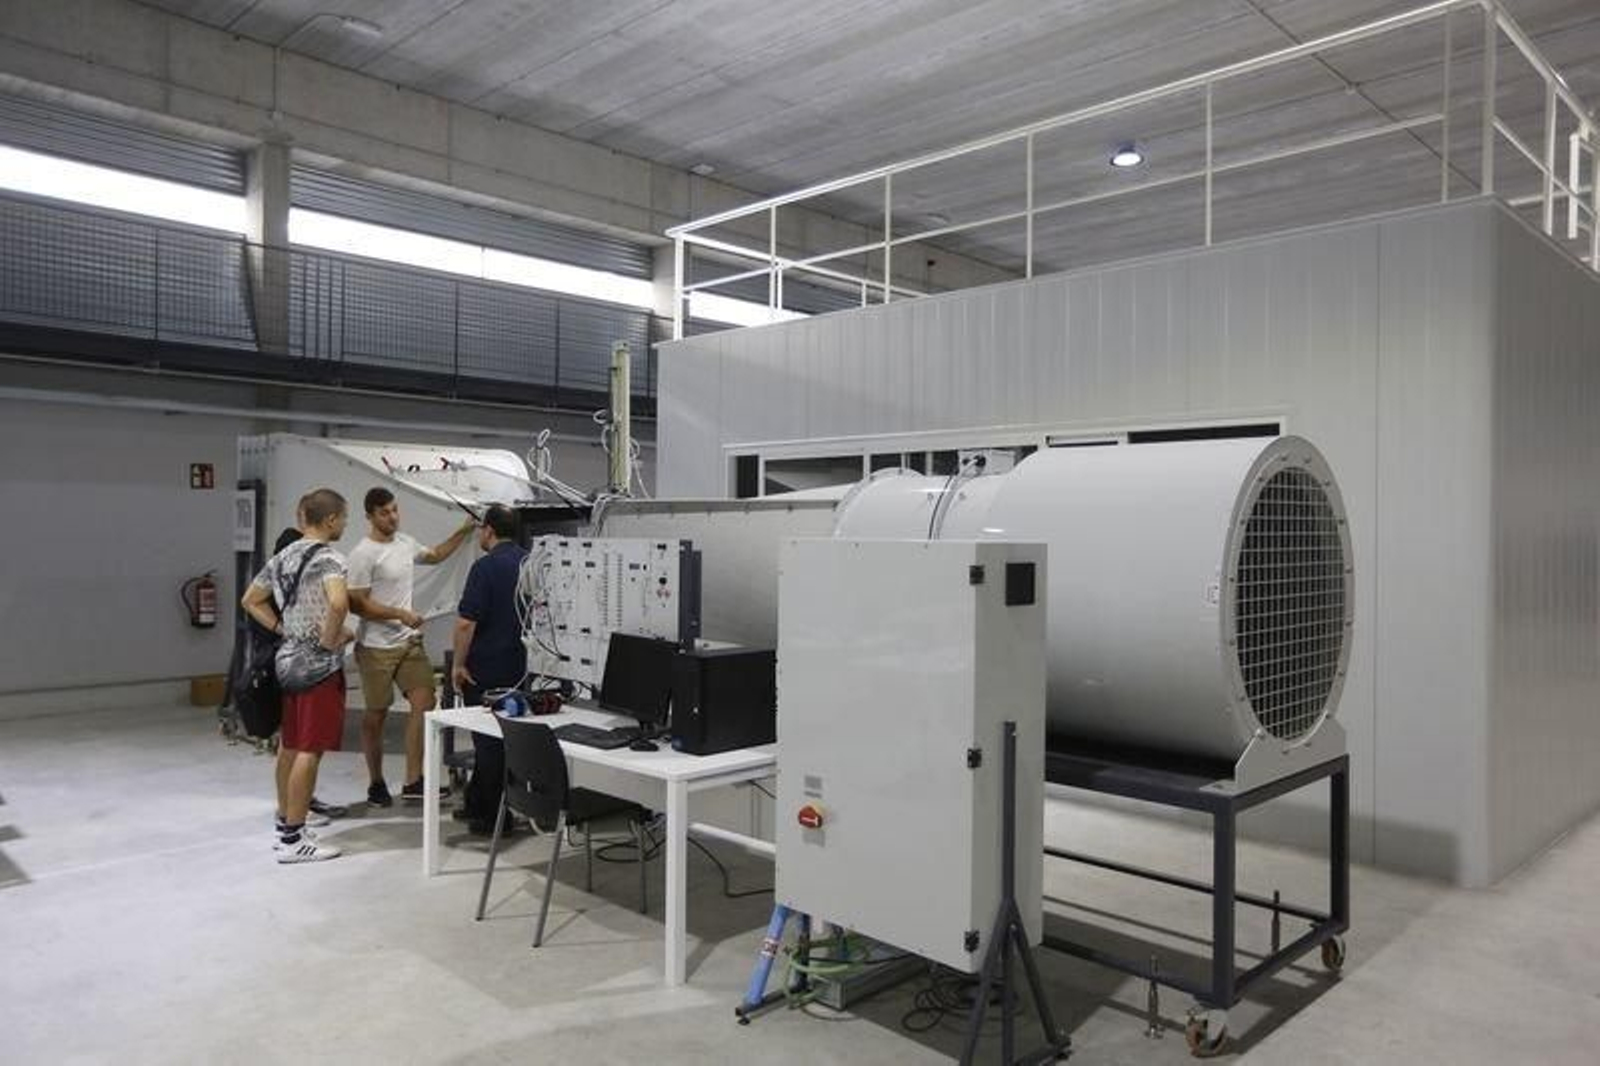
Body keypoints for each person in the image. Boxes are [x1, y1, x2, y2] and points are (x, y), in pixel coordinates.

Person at [240, 488, 353, 863]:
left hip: (287, 662)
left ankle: (284, 820)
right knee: (310, 749)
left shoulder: (283, 557)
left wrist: (280, 629)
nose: (345, 525)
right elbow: (338, 602)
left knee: (290, 744)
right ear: (332, 519)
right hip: (318, 666)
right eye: (344, 518)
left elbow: (250, 600)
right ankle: (294, 839)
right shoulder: (330, 558)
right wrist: (330, 637)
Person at [347, 487, 476, 806]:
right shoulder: (363, 554)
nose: (392, 517)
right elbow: (357, 605)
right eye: (384, 512)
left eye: (394, 510)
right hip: (376, 647)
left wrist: (464, 529)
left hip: (408, 644)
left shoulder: (404, 543)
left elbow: (434, 556)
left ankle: (413, 780)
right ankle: (376, 782)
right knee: (375, 716)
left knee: (424, 702)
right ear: (370, 517)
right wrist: (400, 614)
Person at [451, 505, 529, 834]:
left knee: (488, 744)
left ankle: (496, 818)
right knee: (508, 742)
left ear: (489, 531)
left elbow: (467, 624)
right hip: (523, 667)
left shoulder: (484, 568)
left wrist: (457, 664)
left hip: (486, 670)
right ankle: (477, 803)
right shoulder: (531, 563)